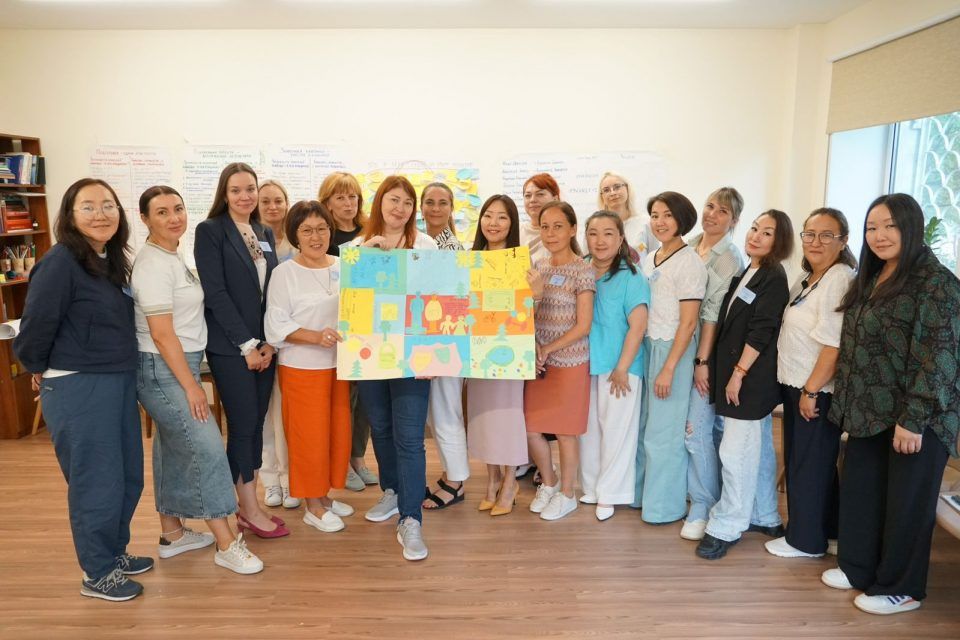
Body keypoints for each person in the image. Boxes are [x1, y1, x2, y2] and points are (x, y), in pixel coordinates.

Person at [821, 193, 960, 615]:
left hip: (917, 417)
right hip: (869, 409)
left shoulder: (936, 283)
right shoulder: (874, 274)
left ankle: (902, 588)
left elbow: (938, 357)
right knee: (862, 492)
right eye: (871, 227)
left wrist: (914, 418)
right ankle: (858, 567)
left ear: (910, 227)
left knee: (906, 505)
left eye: (890, 226)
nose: (879, 235)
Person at [15, 178, 151, 601]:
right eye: (88, 207)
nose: (100, 214)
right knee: (97, 481)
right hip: (79, 386)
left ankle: (114, 552)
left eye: (108, 205)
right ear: (70, 216)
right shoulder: (60, 263)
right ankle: (98, 572)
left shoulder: (109, 260)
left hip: (116, 380)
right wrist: (38, 367)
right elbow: (35, 327)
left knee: (127, 476)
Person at [133, 186, 262, 574]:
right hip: (163, 366)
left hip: (179, 362)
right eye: (161, 212)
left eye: (178, 208)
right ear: (144, 219)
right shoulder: (152, 264)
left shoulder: (174, 255)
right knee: (206, 448)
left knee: (172, 447)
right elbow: (161, 334)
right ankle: (227, 543)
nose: (174, 217)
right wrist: (192, 387)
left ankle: (172, 534)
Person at [194, 162, 288, 539]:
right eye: (236, 190)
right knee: (244, 425)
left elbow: (271, 292)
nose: (245, 196)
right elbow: (215, 293)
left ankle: (252, 503)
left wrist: (268, 343)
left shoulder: (263, 231)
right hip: (231, 347)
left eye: (250, 189)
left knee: (255, 424)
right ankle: (246, 508)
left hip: (263, 347)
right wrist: (247, 345)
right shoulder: (210, 231)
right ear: (224, 193)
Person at [696, 209, 793, 560]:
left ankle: (728, 524)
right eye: (754, 228)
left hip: (750, 379)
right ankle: (764, 514)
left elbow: (762, 330)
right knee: (759, 448)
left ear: (779, 241)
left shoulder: (773, 277)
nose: (756, 236)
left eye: (767, 233)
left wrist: (737, 374)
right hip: (739, 375)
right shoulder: (748, 271)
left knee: (736, 452)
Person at [353, 175, 437, 561]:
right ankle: (392, 490)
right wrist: (366, 258)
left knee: (409, 437)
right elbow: (350, 303)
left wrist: (431, 355)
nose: (399, 208)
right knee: (381, 428)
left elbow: (438, 301)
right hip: (370, 354)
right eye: (393, 200)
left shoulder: (426, 246)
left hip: (413, 357)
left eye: (406, 202)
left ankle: (411, 518)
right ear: (379, 203)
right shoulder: (359, 245)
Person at [765, 208, 856, 559]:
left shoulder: (839, 278)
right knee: (813, 463)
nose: (815, 242)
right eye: (810, 234)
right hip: (798, 384)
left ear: (843, 241)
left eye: (826, 235)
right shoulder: (810, 278)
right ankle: (829, 534)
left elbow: (834, 344)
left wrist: (811, 390)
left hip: (815, 389)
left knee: (808, 466)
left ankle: (805, 542)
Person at [265, 200, 354, 533]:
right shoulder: (284, 273)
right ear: (295, 235)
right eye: (307, 230)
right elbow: (276, 324)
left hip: (339, 366)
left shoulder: (344, 266)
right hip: (302, 367)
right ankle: (312, 506)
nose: (316, 237)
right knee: (309, 438)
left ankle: (325, 497)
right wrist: (316, 337)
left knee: (336, 433)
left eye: (322, 229)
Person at [634, 192, 706, 524]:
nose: (659, 222)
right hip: (649, 345)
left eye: (667, 215)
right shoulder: (651, 258)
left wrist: (669, 369)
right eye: (654, 215)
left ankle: (664, 508)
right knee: (645, 427)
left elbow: (689, 323)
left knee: (665, 434)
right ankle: (641, 496)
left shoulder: (690, 262)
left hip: (673, 351)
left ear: (682, 220)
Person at [680, 188, 746, 541]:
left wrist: (702, 361)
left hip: (706, 352)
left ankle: (703, 504)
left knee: (697, 430)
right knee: (689, 429)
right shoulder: (690, 245)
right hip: (678, 347)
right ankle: (697, 493)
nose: (712, 214)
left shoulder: (728, 258)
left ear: (734, 220)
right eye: (709, 206)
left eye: (722, 211)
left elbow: (711, 315)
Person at [524, 200, 595, 521]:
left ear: (572, 229)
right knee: (531, 429)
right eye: (545, 227)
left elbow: (583, 325)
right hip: (538, 362)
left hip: (570, 362)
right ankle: (549, 483)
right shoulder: (537, 268)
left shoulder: (583, 269)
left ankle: (568, 495)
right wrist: (535, 349)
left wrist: (548, 349)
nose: (551, 233)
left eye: (558, 226)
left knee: (566, 432)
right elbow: (525, 316)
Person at [580, 211, 649, 521]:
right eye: (593, 233)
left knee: (617, 431)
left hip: (620, 366)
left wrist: (622, 367)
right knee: (588, 430)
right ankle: (591, 487)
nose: (600, 240)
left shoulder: (632, 276)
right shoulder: (581, 269)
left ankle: (611, 493)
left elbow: (638, 326)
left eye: (608, 233)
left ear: (621, 238)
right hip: (586, 364)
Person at [466, 195, 529, 515]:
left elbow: (527, 310)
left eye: (502, 217)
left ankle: (510, 482)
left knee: (507, 418)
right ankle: (491, 481)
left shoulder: (521, 262)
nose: (493, 223)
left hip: (510, 354)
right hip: (477, 353)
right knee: (483, 418)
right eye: (488, 215)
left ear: (512, 224)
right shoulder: (469, 261)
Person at [318, 171, 377, 491]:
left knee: (366, 398)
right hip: (335, 326)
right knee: (344, 399)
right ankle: (340, 462)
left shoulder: (371, 232)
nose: (348, 203)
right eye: (339, 197)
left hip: (368, 326)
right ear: (327, 202)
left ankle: (358, 458)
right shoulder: (322, 236)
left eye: (353, 196)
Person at [420, 182, 469, 509]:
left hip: (446, 342)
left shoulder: (451, 247)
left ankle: (456, 482)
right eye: (429, 202)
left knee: (446, 412)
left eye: (442, 203)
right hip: (425, 342)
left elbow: (455, 301)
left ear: (451, 208)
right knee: (435, 414)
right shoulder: (421, 242)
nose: (435, 208)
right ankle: (450, 472)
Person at [257, 179, 299, 509]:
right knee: (265, 416)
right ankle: (271, 481)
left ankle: (290, 480)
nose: (273, 207)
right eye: (265, 201)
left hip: (292, 341)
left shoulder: (298, 242)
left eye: (278, 200)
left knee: (287, 417)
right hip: (259, 341)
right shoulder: (249, 240)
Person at [596, 171, 658, 263]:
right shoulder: (595, 227)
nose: (612, 193)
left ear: (627, 189)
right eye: (606, 190)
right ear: (602, 197)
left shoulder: (646, 222)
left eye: (617, 187)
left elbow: (656, 259)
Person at [520, 173, 560, 266]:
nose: (532, 200)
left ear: (555, 199)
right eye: (528, 195)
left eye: (540, 194)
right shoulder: (515, 231)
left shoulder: (563, 233)